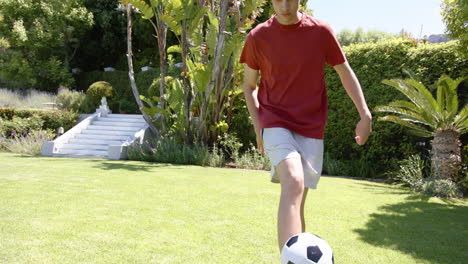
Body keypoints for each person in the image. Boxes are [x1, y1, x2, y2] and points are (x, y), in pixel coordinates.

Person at [240, 0, 372, 252]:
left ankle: (297, 255)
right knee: (293, 181)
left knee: (298, 198)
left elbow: (344, 71)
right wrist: (259, 127)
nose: (285, 5)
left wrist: (365, 114)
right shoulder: (259, 36)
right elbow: (249, 86)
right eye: (278, 0)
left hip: (311, 125)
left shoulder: (320, 31)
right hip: (274, 119)